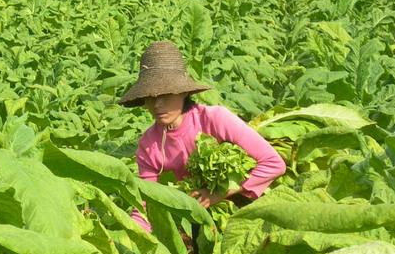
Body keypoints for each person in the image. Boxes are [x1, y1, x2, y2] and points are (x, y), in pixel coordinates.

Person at [119, 40, 286, 232]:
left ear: (183, 93)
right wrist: (130, 235)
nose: (157, 104)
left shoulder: (215, 119)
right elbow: (147, 202)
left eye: (165, 95)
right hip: (194, 225)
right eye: (150, 97)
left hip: (243, 215)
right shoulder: (149, 145)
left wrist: (218, 194)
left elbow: (273, 164)